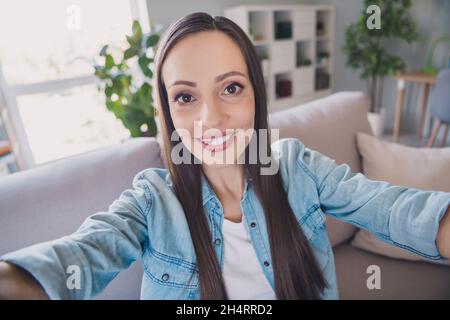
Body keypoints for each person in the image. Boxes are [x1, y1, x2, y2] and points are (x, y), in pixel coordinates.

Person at [0, 12, 449, 300]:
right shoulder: (152, 201)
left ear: (256, 93)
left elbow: (400, 211)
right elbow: (80, 255)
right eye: (185, 97)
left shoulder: (298, 168)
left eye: (230, 88)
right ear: (168, 113)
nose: (211, 119)